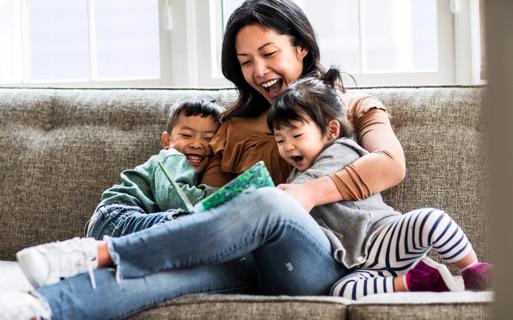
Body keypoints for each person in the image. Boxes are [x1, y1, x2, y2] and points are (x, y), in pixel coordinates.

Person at [6, 0, 411, 318]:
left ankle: (101, 251)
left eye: (269, 54)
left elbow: (391, 163)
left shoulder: (351, 106)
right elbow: (209, 210)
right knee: (168, 272)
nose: (259, 71)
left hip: (327, 262)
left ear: (302, 48)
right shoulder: (232, 126)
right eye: (246, 61)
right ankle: (42, 309)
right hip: (245, 262)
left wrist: (307, 194)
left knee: (272, 201)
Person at [266, 67, 493, 300]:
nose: (287, 147)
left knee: (431, 219)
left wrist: (270, 199)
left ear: (331, 130)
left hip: (385, 236)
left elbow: (303, 188)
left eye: (296, 136)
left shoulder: (340, 151)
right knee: (340, 290)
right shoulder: (294, 179)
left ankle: (472, 269)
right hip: (361, 264)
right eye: (280, 140)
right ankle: (415, 282)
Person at [85, 98, 222, 241]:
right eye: (187, 135)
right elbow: (174, 199)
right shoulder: (172, 157)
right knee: (183, 223)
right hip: (117, 217)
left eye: (208, 138)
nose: (197, 144)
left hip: (113, 224)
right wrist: (226, 194)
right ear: (167, 141)